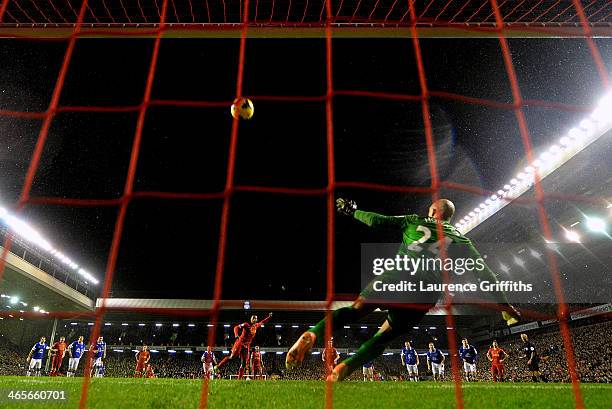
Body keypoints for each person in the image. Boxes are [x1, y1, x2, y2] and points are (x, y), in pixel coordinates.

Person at [286, 198, 521, 381]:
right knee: (385, 335)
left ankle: (314, 333)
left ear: (433, 212)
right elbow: (484, 273)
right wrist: (504, 306)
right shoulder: (461, 240)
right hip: (424, 292)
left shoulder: (413, 220)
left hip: (396, 275)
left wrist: (353, 210)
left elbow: (376, 220)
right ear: (448, 217)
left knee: (355, 309)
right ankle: (345, 368)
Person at [215, 313, 273, 379]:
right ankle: (218, 366)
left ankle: (239, 379)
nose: (255, 319)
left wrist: (269, 317)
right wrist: (236, 335)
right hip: (240, 343)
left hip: (247, 346)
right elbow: (236, 327)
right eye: (253, 318)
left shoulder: (256, 326)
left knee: (244, 363)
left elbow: (263, 322)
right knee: (232, 357)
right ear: (251, 319)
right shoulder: (246, 324)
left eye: (256, 318)